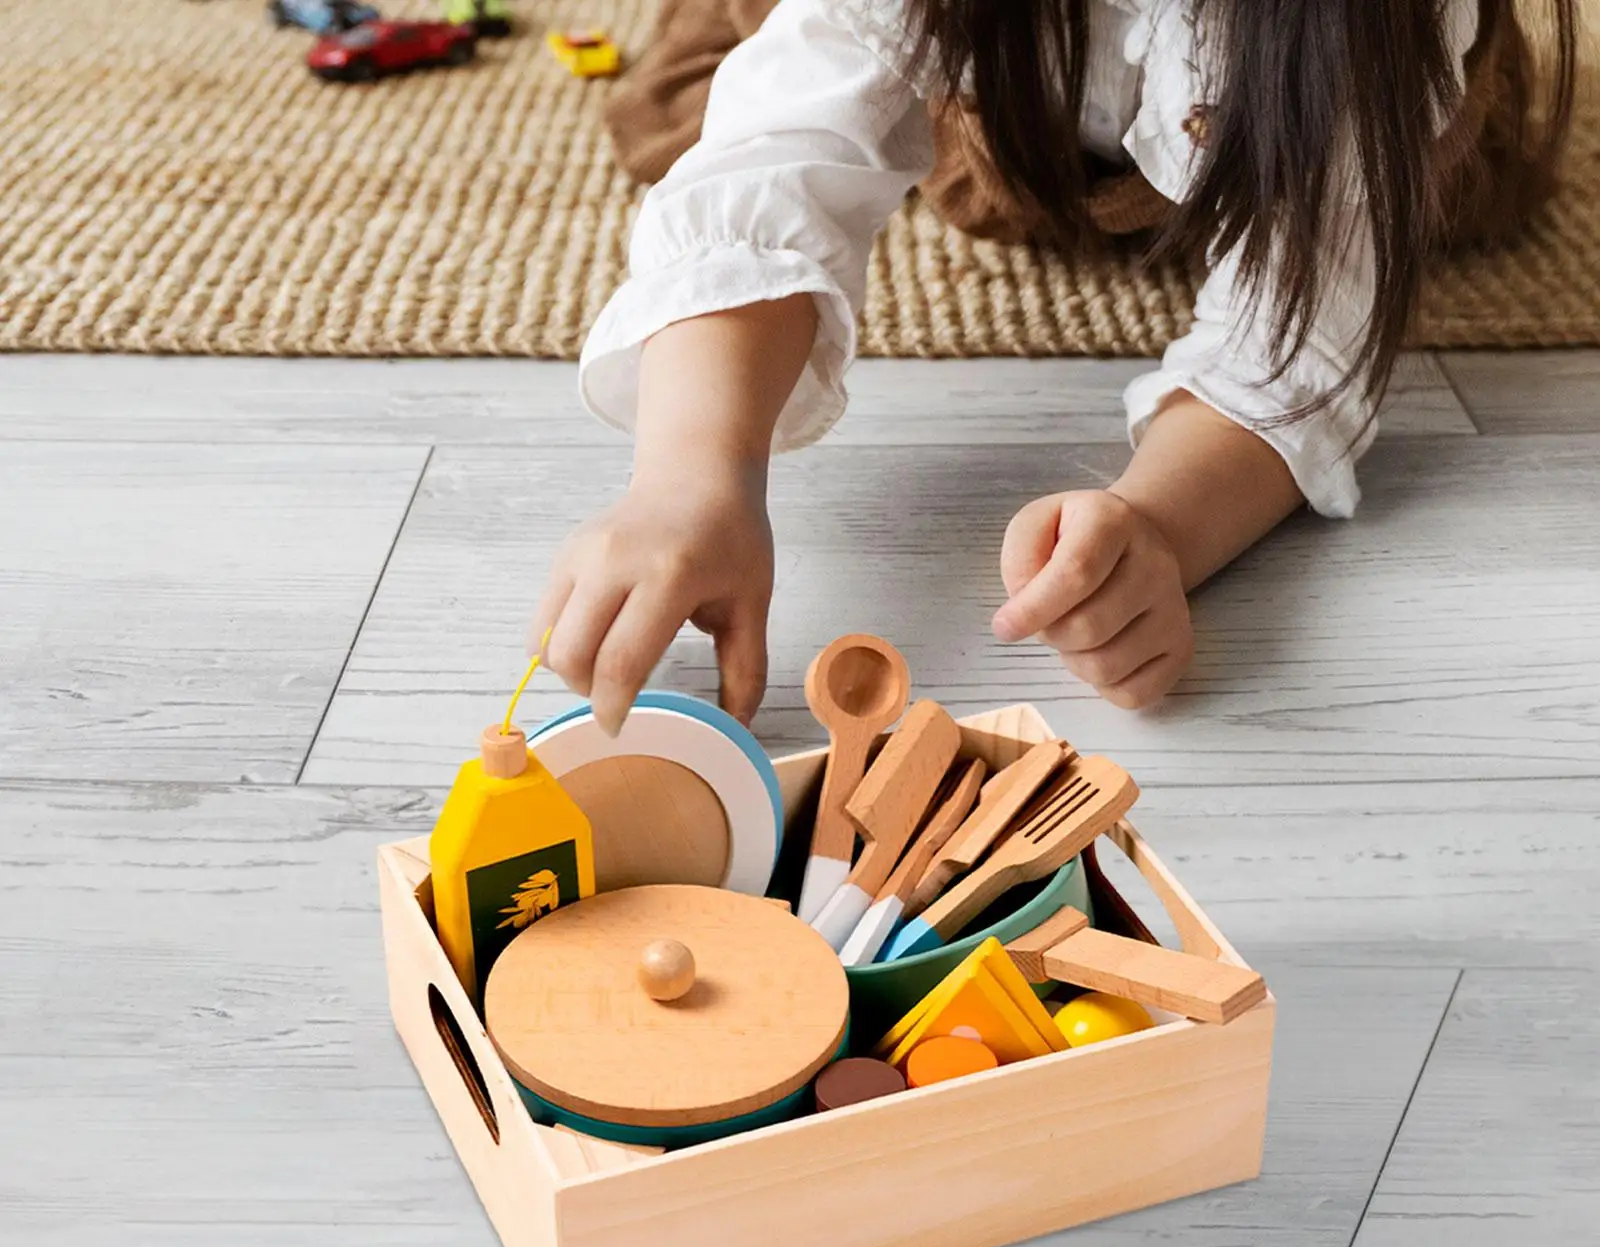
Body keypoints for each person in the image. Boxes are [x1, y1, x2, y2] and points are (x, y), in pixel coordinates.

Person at [535, 0, 1575, 730]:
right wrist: (691, 475)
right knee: (696, 98)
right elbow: (776, 166)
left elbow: (1298, 347)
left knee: (1472, 190)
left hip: (1319, 75)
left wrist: (1161, 525)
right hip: (1004, 80)